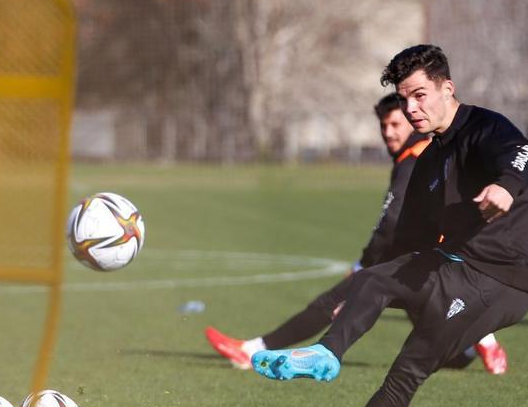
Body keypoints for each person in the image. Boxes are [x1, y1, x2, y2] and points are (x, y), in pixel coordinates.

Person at [250, 44, 528, 407]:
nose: (411, 108)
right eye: (405, 99)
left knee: (406, 370)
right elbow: (406, 247)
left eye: (421, 95)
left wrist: (505, 187)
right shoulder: (428, 160)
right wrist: (362, 298)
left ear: (448, 89)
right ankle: (328, 354)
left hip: (504, 279)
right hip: (455, 266)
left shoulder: (485, 126)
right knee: (372, 277)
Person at [204, 92, 509, 374]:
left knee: (332, 301)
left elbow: (390, 220)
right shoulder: (427, 152)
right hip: (436, 260)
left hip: (424, 258)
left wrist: (364, 264)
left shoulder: (414, 159)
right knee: (437, 341)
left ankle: (252, 350)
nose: (388, 132)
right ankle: (479, 342)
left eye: (394, 124)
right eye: (383, 125)